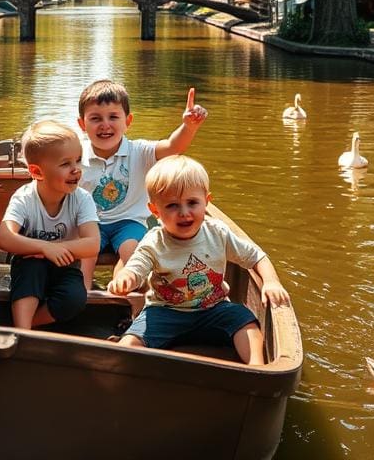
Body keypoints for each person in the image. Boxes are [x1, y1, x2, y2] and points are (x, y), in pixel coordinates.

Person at [108, 155, 290, 364]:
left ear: (206, 202)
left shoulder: (218, 233)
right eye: (172, 206)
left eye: (192, 203)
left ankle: (257, 370)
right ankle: (118, 367)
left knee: (245, 321)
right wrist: (126, 278)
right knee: (130, 343)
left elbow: (256, 256)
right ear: (155, 210)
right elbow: (136, 267)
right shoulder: (154, 242)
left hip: (213, 309)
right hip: (165, 311)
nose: (184, 213)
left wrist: (271, 281)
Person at [77, 79, 208, 290]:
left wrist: (188, 127)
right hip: (90, 222)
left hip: (129, 222)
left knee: (132, 252)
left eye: (113, 117)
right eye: (95, 118)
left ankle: (121, 294)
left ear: (128, 121)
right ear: (82, 124)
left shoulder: (140, 151)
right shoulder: (76, 154)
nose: (105, 125)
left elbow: (174, 146)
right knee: (87, 252)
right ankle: (82, 295)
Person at [0, 120, 100, 330]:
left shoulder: (81, 199)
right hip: (29, 265)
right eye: (65, 164)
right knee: (31, 271)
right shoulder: (25, 198)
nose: (76, 170)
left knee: (75, 297)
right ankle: (22, 332)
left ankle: (26, 326)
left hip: (65, 266)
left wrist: (54, 250)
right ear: (37, 172)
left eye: (78, 161)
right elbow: (4, 237)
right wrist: (44, 247)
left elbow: (92, 244)